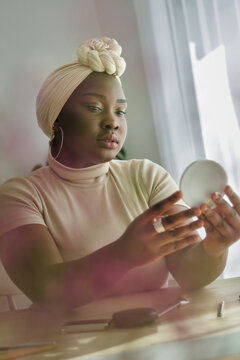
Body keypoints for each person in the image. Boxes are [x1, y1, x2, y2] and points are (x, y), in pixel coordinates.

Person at [0, 37, 240, 313]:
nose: (112, 121)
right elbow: (47, 290)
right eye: (94, 107)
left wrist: (215, 247)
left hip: (157, 339)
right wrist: (122, 254)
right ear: (56, 119)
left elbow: (189, 272)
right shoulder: (19, 196)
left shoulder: (147, 176)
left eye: (120, 111)